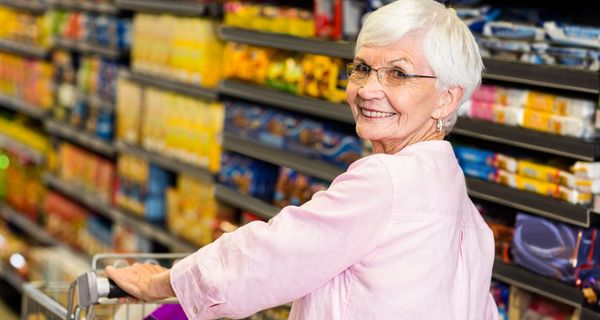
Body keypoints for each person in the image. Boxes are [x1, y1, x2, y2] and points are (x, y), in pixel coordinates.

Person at [105, 0, 498, 318]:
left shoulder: (387, 180)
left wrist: (163, 283)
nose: (367, 90)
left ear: (447, 97)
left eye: (398, 74)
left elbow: (275, 253)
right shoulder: (467, 216)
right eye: (362, 69)